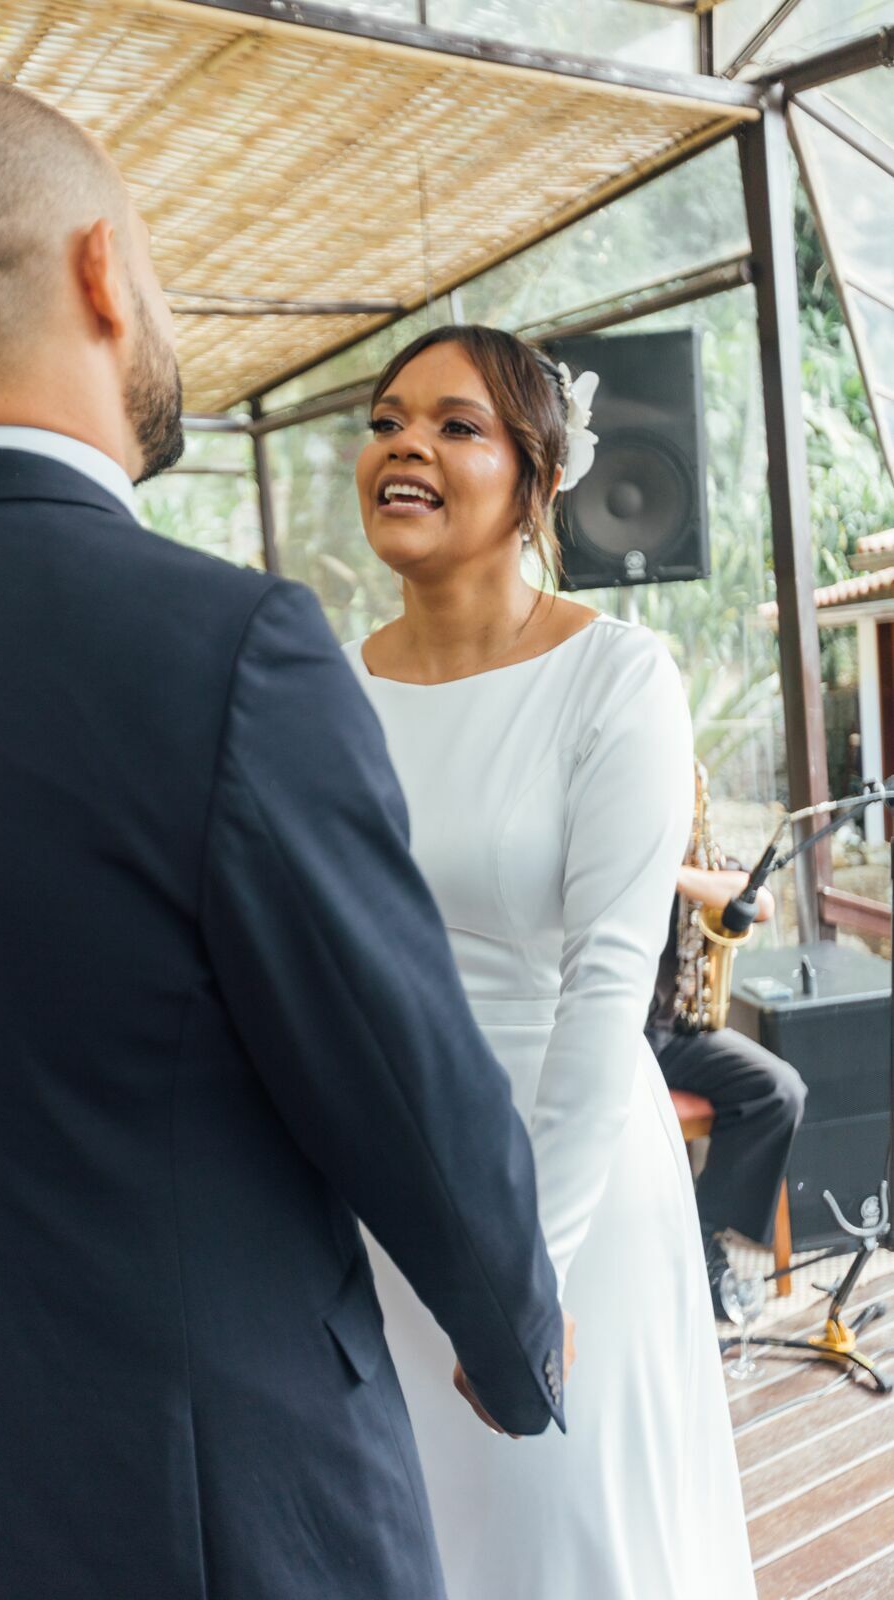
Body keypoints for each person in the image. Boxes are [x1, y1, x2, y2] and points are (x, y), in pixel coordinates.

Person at [0, 81, 567, 1600]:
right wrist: (511, 1336)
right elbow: (399, 1074)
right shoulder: (227, 646)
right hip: (234, 1511)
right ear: (105, 270)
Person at [345, 324, 756, 1600]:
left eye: (454, 425)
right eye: (386, 420)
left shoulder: (615, 677)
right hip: (386, 1187)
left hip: (559, 1182)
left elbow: (604, 988)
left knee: (565, 1541)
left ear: (538, 475)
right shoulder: (325, 687)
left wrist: (526, 1277)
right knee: (419, 1539)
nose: (405, 444)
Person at [645, 791, 807, 1310]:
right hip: (627, 1038)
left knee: (780, 1090)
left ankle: (704, 1232)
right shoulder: (616, 856)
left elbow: (763, 903)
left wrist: (677, 876)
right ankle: (672, 1253)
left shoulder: (696, 857)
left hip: (681, 1030)